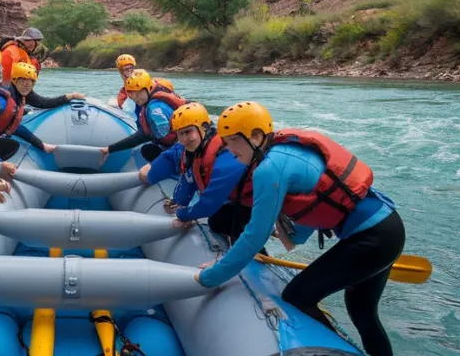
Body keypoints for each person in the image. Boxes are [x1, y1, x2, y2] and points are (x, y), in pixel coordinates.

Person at [195, 101, 405, 356]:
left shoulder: (268, 169)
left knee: (297, 296)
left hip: (371, 239)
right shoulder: (284, 152)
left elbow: (253, 237)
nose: (227, 149)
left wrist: (213, 275)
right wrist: (281, 232)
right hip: (388, 227)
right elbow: (303, 225)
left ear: (256, 137)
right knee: (362, 312)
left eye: (231, 142)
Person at [139, 102, 249, 241]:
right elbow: (188, 180)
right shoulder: (192, 151)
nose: (184, 139)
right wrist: (178, 203)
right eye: (180, 134)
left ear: (203, 128)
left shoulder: (227, 159)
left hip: (253, 203)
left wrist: (183, 214)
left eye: (188, 132)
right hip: (231, 199)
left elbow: (209, 204)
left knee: (219, 221)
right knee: (219, 219)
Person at [0, 62, 83, 160]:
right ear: (15, 81)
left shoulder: (24, 93)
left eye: (29, 81)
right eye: (22, 81)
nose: (26, 85)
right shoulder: (3, 99)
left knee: (11, 144)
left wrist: (69, 96)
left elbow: (43, 103)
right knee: (11, 146)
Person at [99, 69, 186, 163]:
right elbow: (146, 134)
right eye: (131, 93)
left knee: (147, 151)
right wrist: (110, 149)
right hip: (178, 141)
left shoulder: (155, 111)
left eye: (139, 92)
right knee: (148, 148)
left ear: (148, 88)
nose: (135, 97)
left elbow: (177, 139)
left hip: (183, 147)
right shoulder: (151, 101)